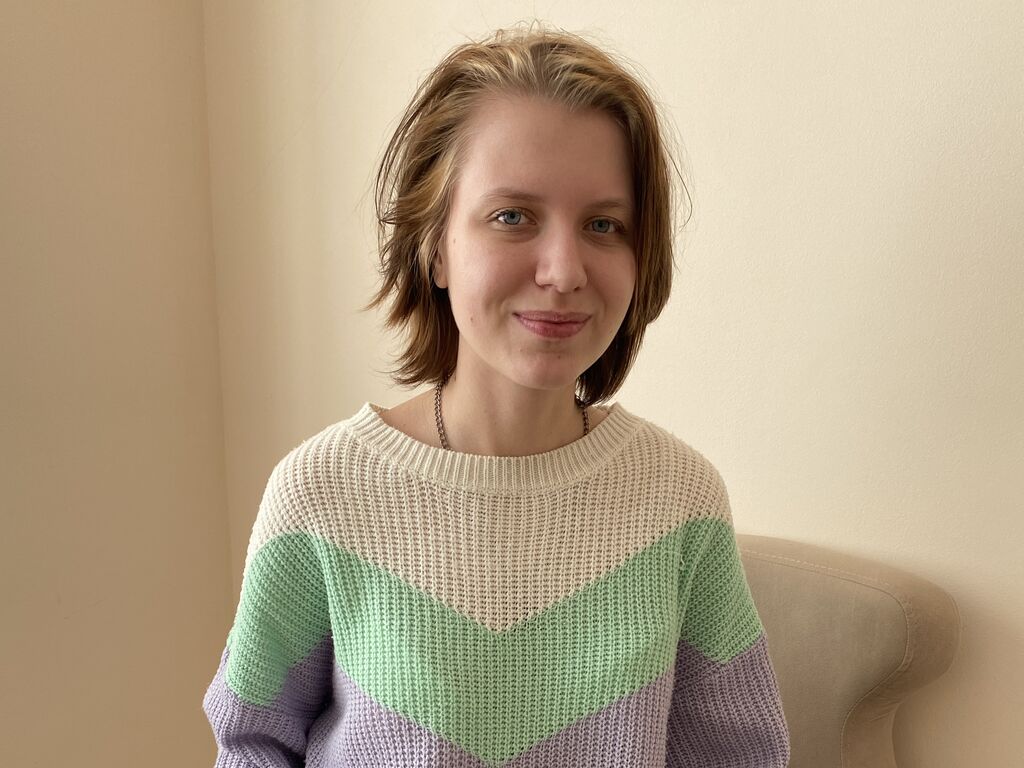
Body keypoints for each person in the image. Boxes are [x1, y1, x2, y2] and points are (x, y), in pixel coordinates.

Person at [202, 24, 790, 767]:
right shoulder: (320, 493)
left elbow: (736, 755)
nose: (564, 270)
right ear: (434, 246)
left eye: (604, 225)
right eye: (512, 217)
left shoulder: (680, 499)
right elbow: (253, 744)